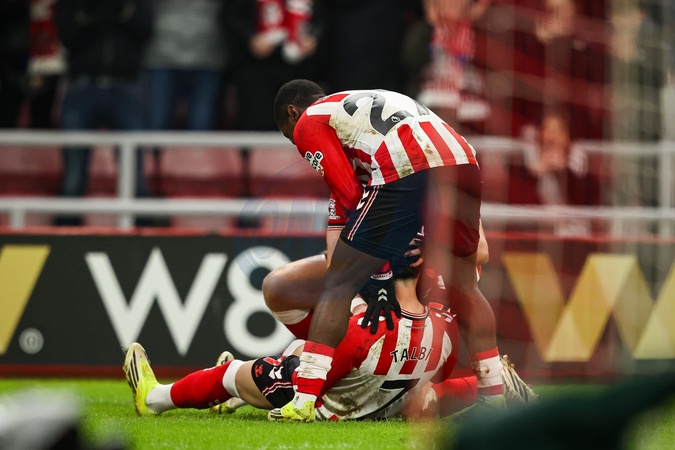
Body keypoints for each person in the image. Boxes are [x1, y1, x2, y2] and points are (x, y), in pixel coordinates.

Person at [272, 79, 504, 422]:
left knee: (340, 281)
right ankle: (495, 396)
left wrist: (380, 275)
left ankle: (304, 398)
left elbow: (350, 195)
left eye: (290, 137)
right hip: (461, 156)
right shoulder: (359, 102)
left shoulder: (309, 121)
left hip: (407, 160)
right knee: (464, 285)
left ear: (293, 113)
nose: (297, 145)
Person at [124, 260, 469, 421]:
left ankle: (153, 398)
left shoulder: (362, 329)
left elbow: (315, 381)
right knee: (302, 349)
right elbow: (438, 379)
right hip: (379, 403)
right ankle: (229, 400)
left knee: (235, 373)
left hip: (327, 406)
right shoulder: (446, 327)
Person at [54, 0, 153, 225]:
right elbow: (67, 36)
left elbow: (145, 31)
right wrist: (91, 11)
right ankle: (66, 230)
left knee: (134, 169)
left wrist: (122, 10)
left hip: (126, 85)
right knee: (74, 171)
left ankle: (143, 232)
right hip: (82, 85)